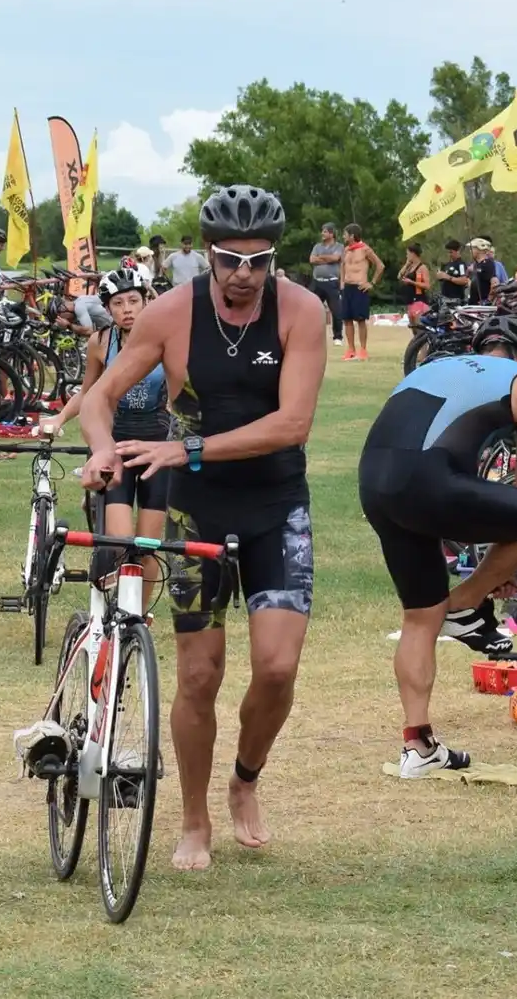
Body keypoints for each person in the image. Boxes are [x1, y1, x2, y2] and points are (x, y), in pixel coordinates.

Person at [76, 183, 325, 872]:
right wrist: (102, 448)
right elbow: (101, 396)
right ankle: (192, 818)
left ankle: (245, 777)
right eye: (228, 259)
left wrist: (180, 448)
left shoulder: (302, 310)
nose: (243, 274)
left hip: (277, 502)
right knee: (198, 675)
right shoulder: (170, 313)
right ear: (206, 253)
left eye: (259, 260)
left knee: (276, 668)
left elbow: (292, 424)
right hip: (197, 509)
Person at [358, 316, 517, 776]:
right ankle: (464, 605)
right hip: (428, 481)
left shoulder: (435, 365)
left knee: (419, 616)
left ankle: (418, 747)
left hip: (374, 481)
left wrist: (502, 556)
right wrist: (502, 565)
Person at [42, 268, 170, 608]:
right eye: (118, 303)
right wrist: (59, 416)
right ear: (107, 308)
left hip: (157, 448)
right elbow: (89, 393)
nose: (127, 308)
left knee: (149, 544)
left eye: (133, 300)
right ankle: (118, 607)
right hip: (115, 447)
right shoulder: (101, 341)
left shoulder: (166, 338)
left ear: (146, 301)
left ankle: (137, 617)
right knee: (121, 541)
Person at [340, 222, 384, 361]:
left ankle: (363, 349)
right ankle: (350, 349)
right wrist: (341, 282)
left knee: (360, 320)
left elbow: (380, 265)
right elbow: (342, 266)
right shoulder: (346, 250)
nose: (343, 236)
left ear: (352, 235)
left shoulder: (365, 249)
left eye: (345, 234)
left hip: (360, 287)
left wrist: (372, 283)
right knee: (347, 320)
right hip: (347, 287)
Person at [309, 221, 345, 346]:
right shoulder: (317, 246)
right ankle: (312, 335)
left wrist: (321, 258)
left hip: (332, 282)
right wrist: (328, 258)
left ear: (331, 233)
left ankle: (337, 337)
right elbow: (312, 259)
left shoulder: (339, 246)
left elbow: (336, 258)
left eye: (325, 231)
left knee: (336, 310)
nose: (322, 234)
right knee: (311, 309)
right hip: (317, 282)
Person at [398, 244, 431, 326]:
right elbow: (399, 276)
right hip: (410, 300)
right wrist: (406, 264)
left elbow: (427, 285)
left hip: (419, 300)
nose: (406, 255)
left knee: (419, 326)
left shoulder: (422, 267)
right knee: (412, 327)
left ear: (413, 254)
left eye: (407, 253)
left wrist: (412, 282)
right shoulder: (409, 267)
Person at [438, 238, 470, 303]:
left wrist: (448, 277)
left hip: (455, 299)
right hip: (445, 298)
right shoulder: (447, 264)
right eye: (448, 252)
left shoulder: (461, 264)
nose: (449, 255)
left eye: (451, 252)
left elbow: (464, 280)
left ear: (457, 251)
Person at [468, 238, 497, 304]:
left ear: (479, 250)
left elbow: (495, 283)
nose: (470, 251)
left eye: (472, 248)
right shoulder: (476, 264)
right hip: (473, 304)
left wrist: (488, 300)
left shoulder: (488, 263)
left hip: (482, 306)